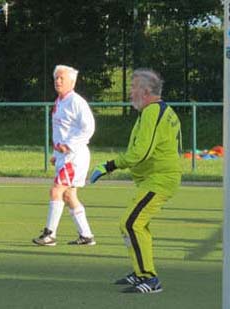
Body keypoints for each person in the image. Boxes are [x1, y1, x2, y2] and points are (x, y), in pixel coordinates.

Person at [90, 68, 182, 293]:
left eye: (133, 88)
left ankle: (150, 278)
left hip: (159, 180)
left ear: (146, 91)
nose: (130, 93)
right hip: (155, 179)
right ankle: (141, 272)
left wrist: (109, 166)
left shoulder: (153, 111)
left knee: (130, 223)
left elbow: (142, 152)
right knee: (136, 224)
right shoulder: (162, 111)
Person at [32, 64, 96, 246]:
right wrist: (55, 153)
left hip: (74, 157)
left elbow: (89, 128)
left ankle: (50, 234)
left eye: (62, 78)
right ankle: (86, 236)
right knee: (69, 196)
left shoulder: (77, 102)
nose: (58, 81)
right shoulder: (59, 101)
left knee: (56, 190)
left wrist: (69, 145)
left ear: (72, 82)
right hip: (63, 156)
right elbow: (59, 131)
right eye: (56, 78)